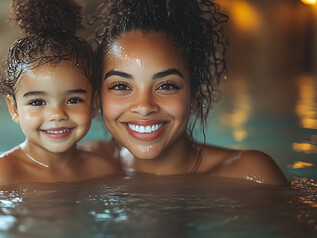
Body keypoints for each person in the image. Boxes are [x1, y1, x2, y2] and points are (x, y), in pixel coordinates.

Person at [83, 0, 288, 185]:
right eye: (121, 86)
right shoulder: (86, 165)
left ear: (194, 97)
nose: (144, 106)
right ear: (99, 98)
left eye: (166, 86)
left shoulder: (249, 174)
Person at [0, 0, 120, 187]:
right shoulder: (5, 173)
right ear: (14, 109)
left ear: (94, 104)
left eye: (73, 100)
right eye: (38, 102)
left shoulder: (102, 169)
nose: (57, 114)